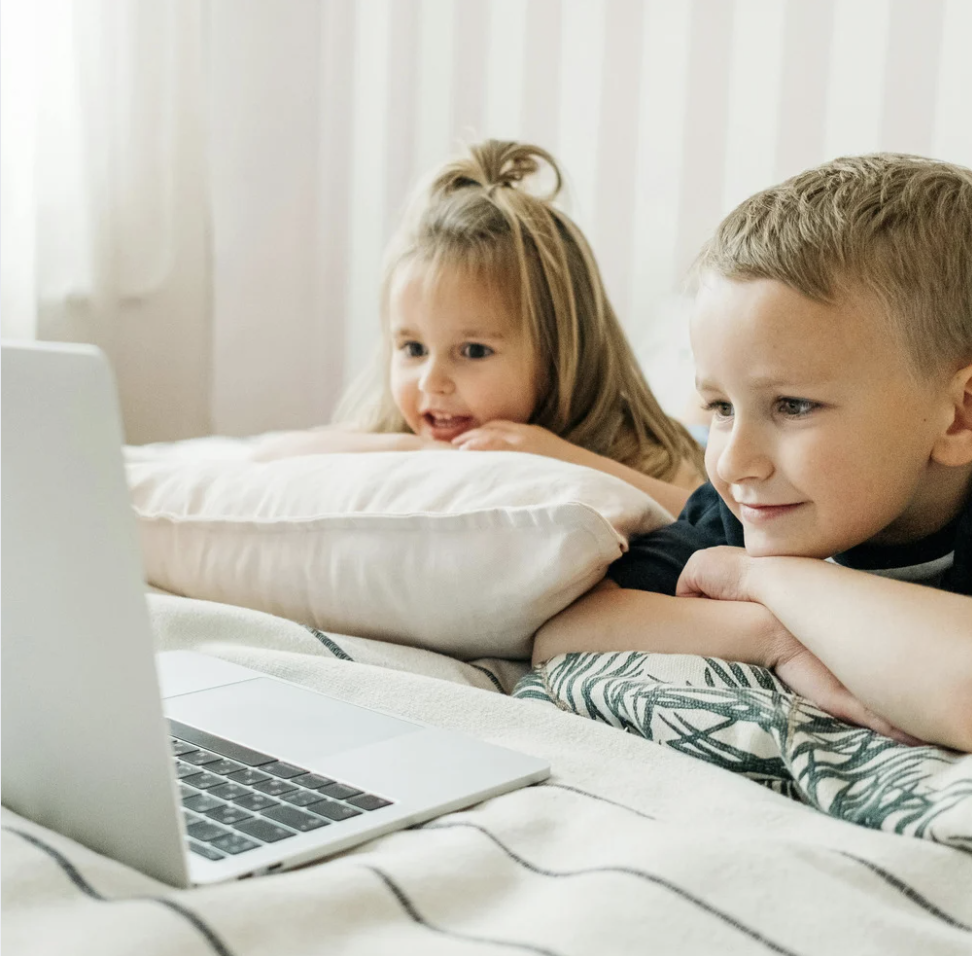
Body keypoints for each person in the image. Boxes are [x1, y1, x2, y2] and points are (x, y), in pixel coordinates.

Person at [532, 154, 972, 753]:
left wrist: (761, 577)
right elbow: (569, 631)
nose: (736, 463)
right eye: (720, 407)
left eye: (793, 406)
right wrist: (774, 636)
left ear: (960, 416)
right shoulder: (737, 507)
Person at [251, 139, 705, 516]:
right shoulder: (406, 433)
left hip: (698, 441)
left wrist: (562, 459)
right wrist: (424, 454)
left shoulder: (638, 450)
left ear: (560, 352)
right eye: (412, 348)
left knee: (709, 402)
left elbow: (708, 517)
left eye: (472, 351)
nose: (431, 380)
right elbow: (269, 457)